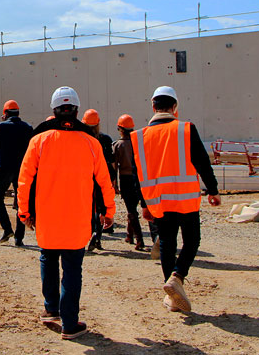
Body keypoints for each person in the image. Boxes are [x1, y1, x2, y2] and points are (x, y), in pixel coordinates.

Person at [18, 87, 115, 340]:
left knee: (47, 259)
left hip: (47, 216)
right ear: (76, 110)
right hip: (78, 217)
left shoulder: (38, 140)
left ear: (54, 110)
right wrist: (108, 211)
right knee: (72, 268)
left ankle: (51, 310)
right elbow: (105, 181)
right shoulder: (91, 142)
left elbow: (25, 179)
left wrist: (24, 211)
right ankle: (70, 324)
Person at [132, 86, 221, 313]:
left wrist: (144, 205)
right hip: (186, 200)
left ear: (153, 107)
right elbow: (202, 162)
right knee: (192, 241)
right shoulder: (186, 129)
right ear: (175, 108)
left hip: (159, 202)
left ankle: (172, 295)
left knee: (167, 245)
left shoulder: (140, 136)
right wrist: (213, 190)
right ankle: (177, 277)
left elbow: (138, 174)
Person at [0, 100, 33, 246]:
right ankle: (19, 238)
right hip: (22, 169)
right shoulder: (27, 127)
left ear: (5, 113)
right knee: (21, 202)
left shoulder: (1, 126)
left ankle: (7, 229)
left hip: (4, 167)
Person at [112, 114, 152, 252]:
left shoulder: (117, 145)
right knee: (134, 208)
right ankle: (130, 236)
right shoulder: (138, 143)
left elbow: (114, 167)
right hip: (140, 178)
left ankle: (140, 240)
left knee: (131, 210)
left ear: (120, 129)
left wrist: (115, 185)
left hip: (125, 179)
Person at [81, 109, 115, 252]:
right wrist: (113, 180)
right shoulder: (105, 139)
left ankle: (90, 233)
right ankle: (98, 236)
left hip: (88, 177)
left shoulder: (82, 139)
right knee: (101, 208)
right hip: (103, 176)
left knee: (89, 206)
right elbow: (112, 162)